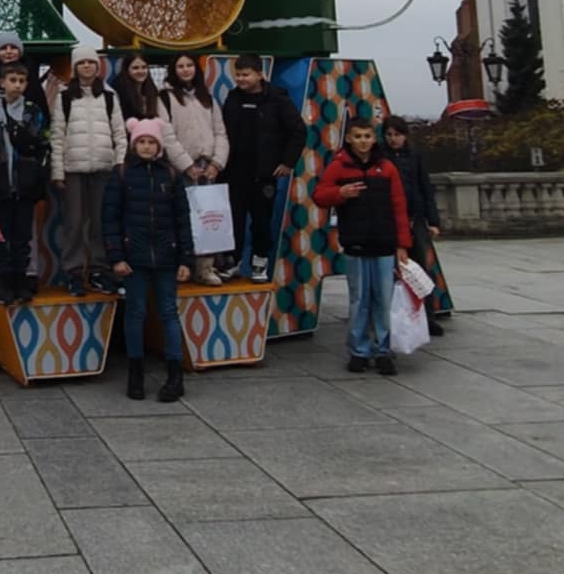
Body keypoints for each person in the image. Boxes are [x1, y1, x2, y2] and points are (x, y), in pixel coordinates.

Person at [311, 112, 412, 375]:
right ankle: (359, 349)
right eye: (358, 137)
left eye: (367, 136)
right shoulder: (340, 166)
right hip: (355, 243)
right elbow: (320, 195)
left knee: (383, 299)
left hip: (383, 244)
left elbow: (399, 206)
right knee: (359, 299)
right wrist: (340, 194)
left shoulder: (386, 167)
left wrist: (402, 244)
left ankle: (383, 350)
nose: (364, 141)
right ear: (349, 139)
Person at [103, 119, 192, 403]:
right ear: (133, 144)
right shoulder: (122, 174)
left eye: (151, 142)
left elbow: (183, 219)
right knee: (135, 313)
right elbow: (110, 219)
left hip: (167, 255)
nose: (146, 146)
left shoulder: (172, 175)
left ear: (159, 146)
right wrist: (116, 256)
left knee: (168, 312)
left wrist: (186, 259)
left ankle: (175, 375)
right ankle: (135, 373)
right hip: (134, 256)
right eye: (141, 141)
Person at [0, 62, 53, 306]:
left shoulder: (33, 112)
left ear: (26, 84)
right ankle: (2, 280)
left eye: (21, 80)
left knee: (23, 235)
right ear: (2, 83)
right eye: (12, 80)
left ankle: (21, 280)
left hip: (25, 184)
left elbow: (44, 144)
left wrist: (38, 175)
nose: (17, 84)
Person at [221, 54, 307, 284]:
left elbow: (298, 132)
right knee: (234, 219)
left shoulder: (278, 100)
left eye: (246, 74)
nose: (241, 79)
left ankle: (260, 263)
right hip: (235, 171)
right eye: (237, 74)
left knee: (261, 220)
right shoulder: (232, 98)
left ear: (260, 74)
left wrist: (288, 162)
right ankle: (233, 261)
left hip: (264, 174)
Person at [50, 46, 125, 294]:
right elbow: (57, 136)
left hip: (103, 167)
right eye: (81, 63)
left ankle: (99, 270)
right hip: (73, 169)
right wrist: (57, 171)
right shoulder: (64, 96)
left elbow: (120, 133)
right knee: (74, 222)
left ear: (97, 66)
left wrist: (120, 163)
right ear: (75, 68)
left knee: (100, 222)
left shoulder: (109, 95)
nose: (87, 67)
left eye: (91, 62)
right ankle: (73, 272)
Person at [158, 54, 229, 283]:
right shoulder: (165, 98)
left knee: (208, 217)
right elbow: (166, 135)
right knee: (181, 218)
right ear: (173, 69)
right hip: (180, 166)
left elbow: (220, 131)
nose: (185, 70)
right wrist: (186, 165)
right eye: (180, 66)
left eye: (189, 65)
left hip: (207, 165)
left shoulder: (206, 97)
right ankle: (182, 266)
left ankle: (205, 268)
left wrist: (217, 163)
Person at [382, 117, 449, 337]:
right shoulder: (382, 157)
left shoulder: (414, 156)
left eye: (397, 135)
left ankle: (427, 316)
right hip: (391, 219)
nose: (393, 139)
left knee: (421, 269)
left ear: (405, 136)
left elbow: (424, 187)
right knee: (393, 271)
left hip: (415, 217)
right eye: (389, 135)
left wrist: (433, 220)